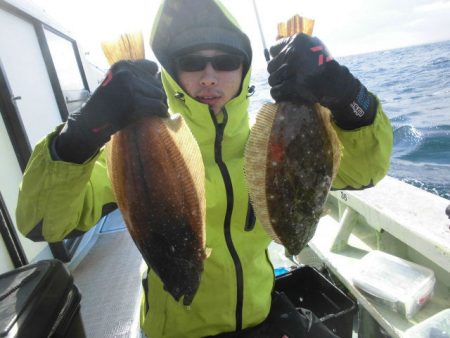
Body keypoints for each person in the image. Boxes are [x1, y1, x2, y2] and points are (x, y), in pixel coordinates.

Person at [16, 0, 393, 337]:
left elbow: (366, 170)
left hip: (262, 316)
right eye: (192, 63)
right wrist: (80, 133)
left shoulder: (267, 147)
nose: (209, 76)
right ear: (171, 71)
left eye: (226, 62)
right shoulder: (126, 150)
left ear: (244, 69)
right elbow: (42, 223)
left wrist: (345, 94)